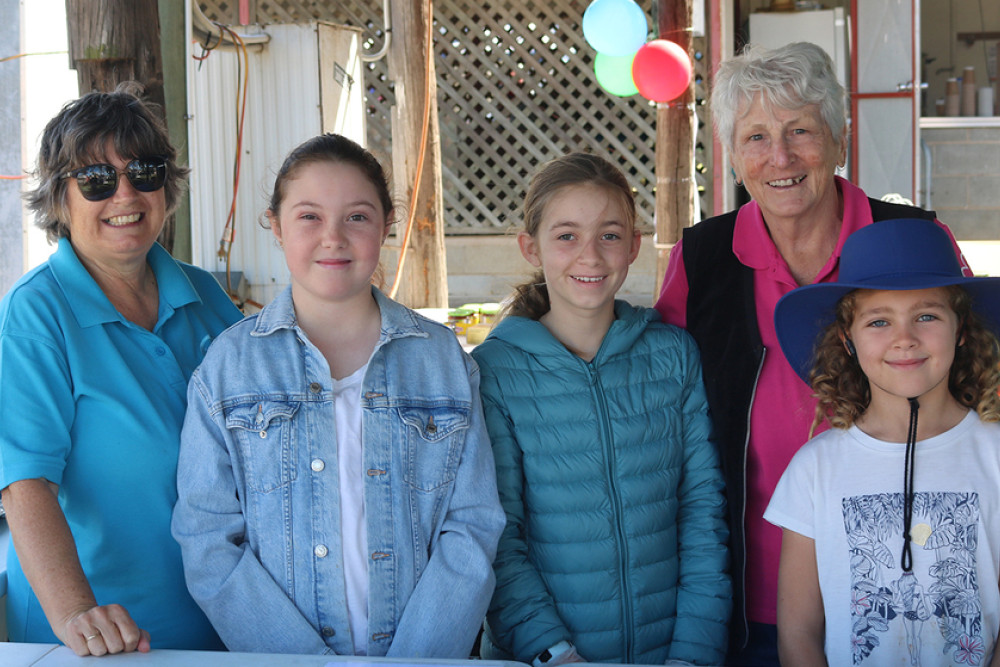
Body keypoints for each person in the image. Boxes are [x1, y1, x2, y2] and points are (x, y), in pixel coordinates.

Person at [653, 41, 972, 664]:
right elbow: (660, 403)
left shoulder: (913, 243)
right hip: (753, 594)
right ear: (732, 154)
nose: (781, 156)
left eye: (801, 129)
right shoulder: (702, 260)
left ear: (839, 139)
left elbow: (981, 381)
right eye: (756, 137)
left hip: (915, 582)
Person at [171, 133, 505, 657]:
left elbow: (473, 522)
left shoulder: (443, 362)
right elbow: (208, 539)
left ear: (386, 225)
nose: (333, 237)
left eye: (357, 216)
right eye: (309, 216)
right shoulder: (228, 368)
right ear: (276, 226)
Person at [0, 84, 242, 656]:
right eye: (96, 180)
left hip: (230, 619)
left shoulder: (205, 293)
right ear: (60, 200)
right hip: (105, 637)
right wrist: (77, 613)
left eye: (144, 171)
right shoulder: (37, 312)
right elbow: (25, 483)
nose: (125, 194)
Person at [473, 152, 731, 666]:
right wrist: (553, 653)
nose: (590, 256)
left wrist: (694, 653)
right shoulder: (494, 371)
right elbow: (497, 533)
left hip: (668, 654)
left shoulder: (673, 355)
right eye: (566, 235)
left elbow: (702, 511)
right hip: (545, 656)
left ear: (634, 246)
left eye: (609, 235)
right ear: (531, 247)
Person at [766, 218, 1000, 665]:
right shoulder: (815, 469)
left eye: (927, 316)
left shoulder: (995, 454)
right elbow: (798, 632)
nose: (905, 339)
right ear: (847, 340)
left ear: (962, 329)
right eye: (878, 321)